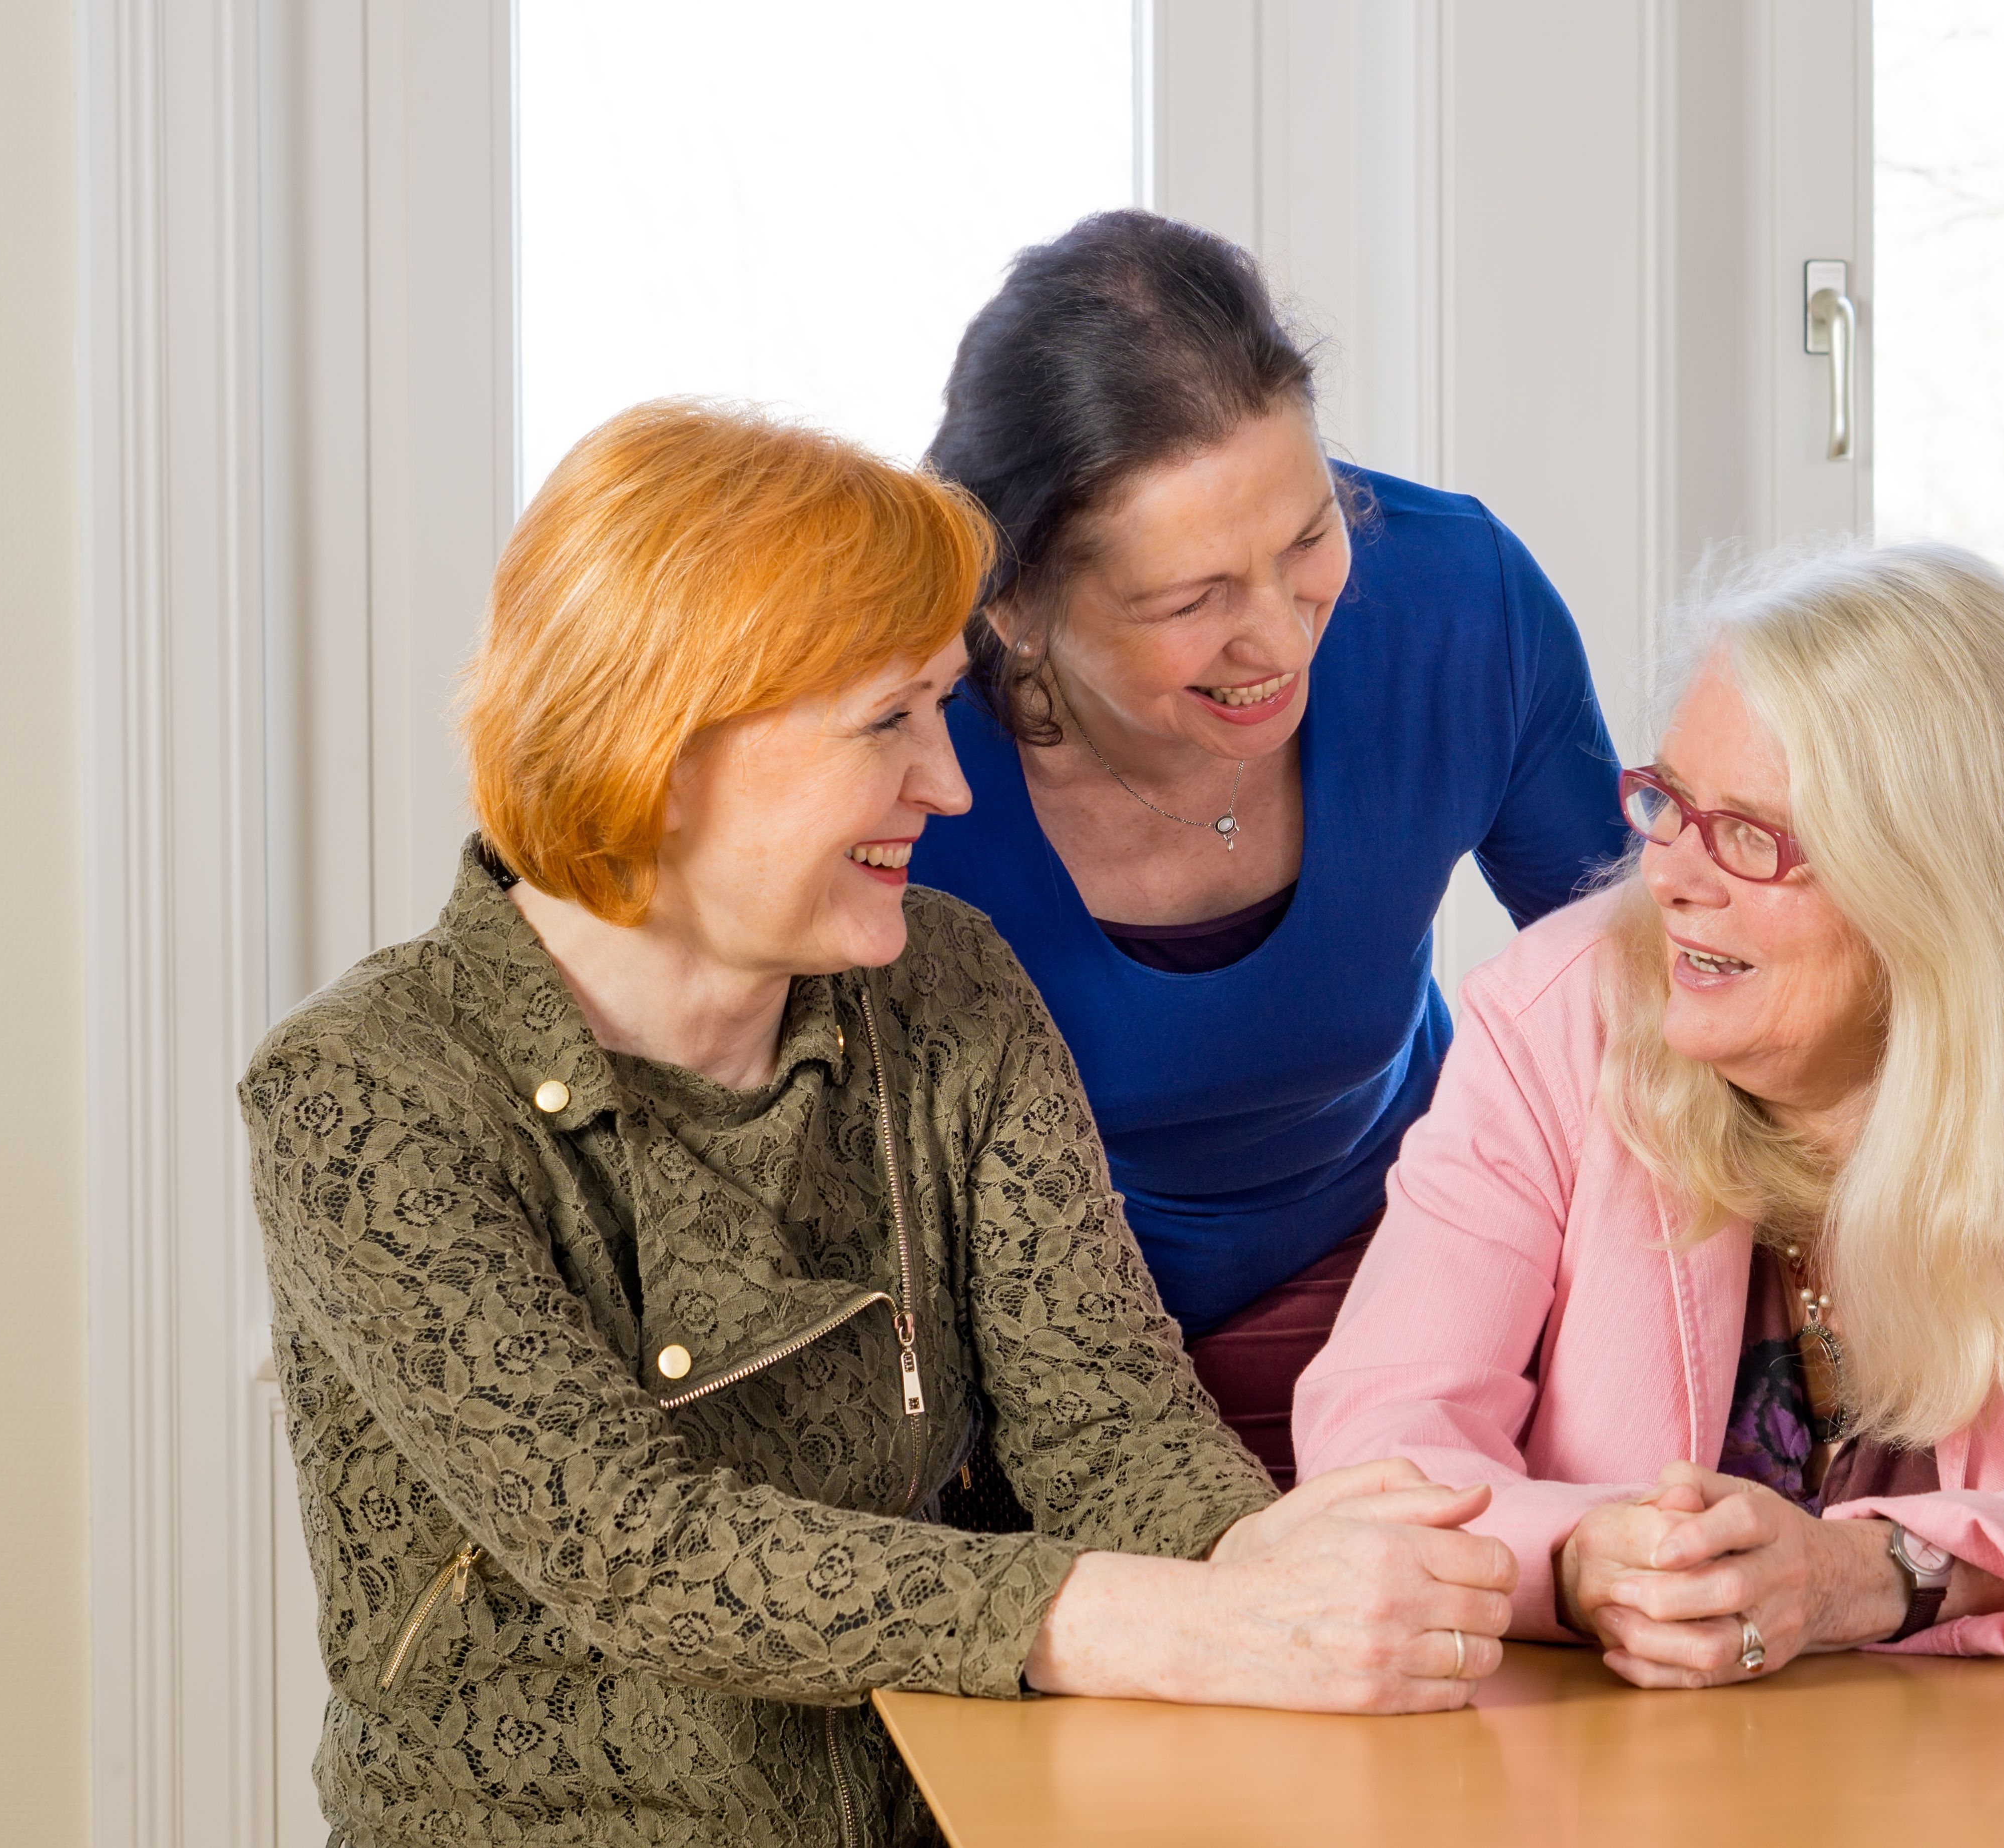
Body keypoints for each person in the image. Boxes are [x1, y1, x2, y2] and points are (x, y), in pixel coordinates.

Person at [240, 401, 1518, 1846]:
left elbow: (1104, 1415)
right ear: (665, 747)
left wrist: (1264, 1557)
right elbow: (631, 1544)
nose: (952, 783)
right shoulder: (362, 1089)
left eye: (942, 705)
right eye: (889, 720)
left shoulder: (949, 982)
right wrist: (1165, 1622)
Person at [1292, 542, 2004, 1681]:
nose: (1675, 875)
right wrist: (1579, 1562)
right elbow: (1376, 1434)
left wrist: (1873, 1577)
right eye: (1667, 804)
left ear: (1935, 889)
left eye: (1749, 834)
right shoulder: (1550, 1016)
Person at [909, 212, 1627, 1485]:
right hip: (1017, 1359)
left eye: (1306, 538)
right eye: (1191, 601)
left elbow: (1642, 984)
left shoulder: (1457, 603)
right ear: (1011, 606)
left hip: (1403, 1290)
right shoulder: (899, 745)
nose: (1282, 641)